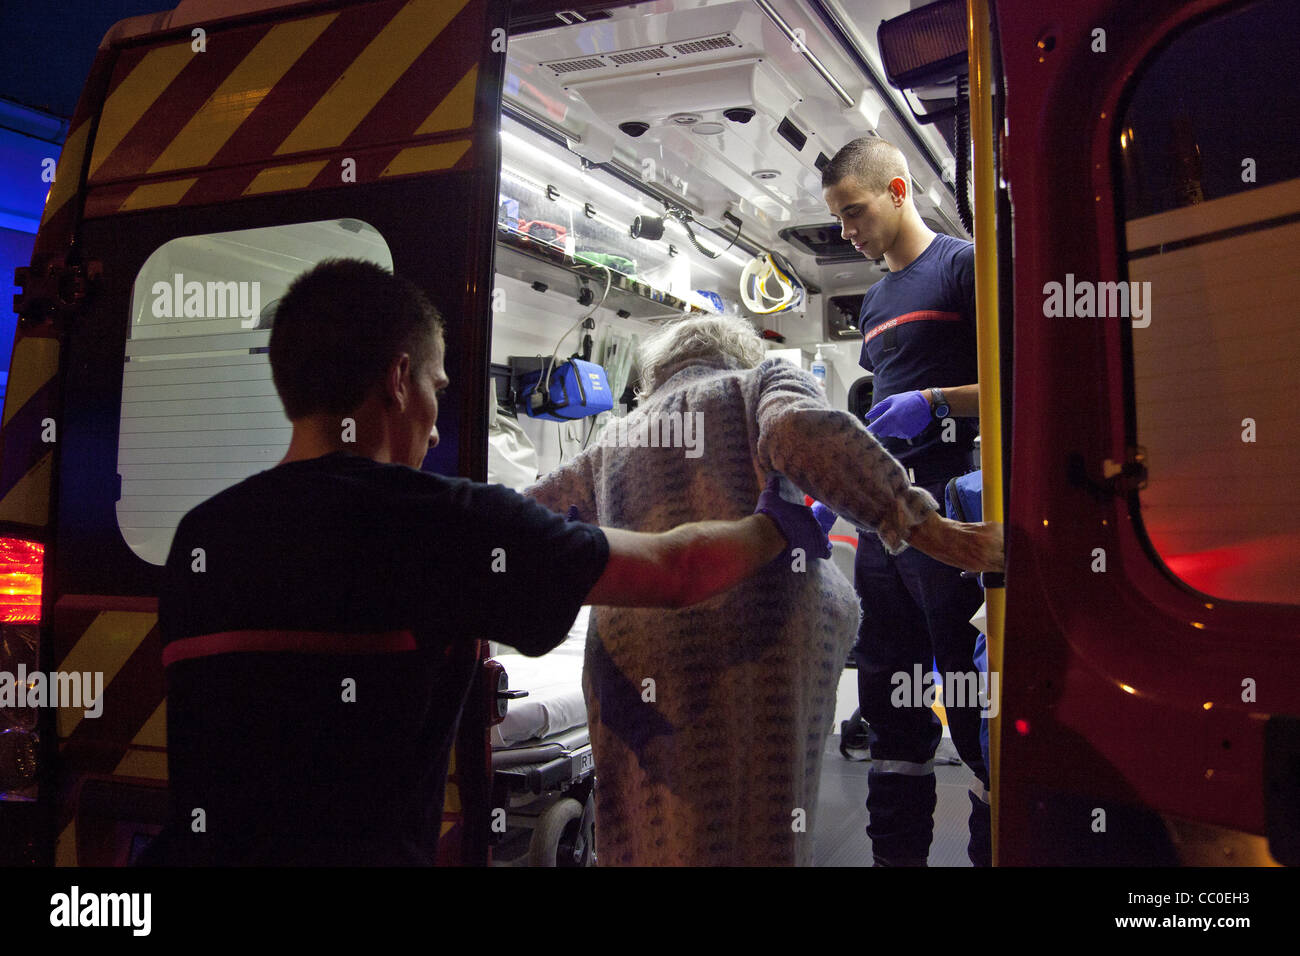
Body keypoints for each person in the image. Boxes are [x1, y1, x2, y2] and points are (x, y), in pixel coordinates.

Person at [141, 258, 829, 866]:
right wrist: (776, 524)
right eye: (438, 386)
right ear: (399, 379)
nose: (438, 423)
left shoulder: (201, 535)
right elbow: (674, 572)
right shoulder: (443, 522)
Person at [525, 315, 1002, 866]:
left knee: (637, 829)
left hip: (630, 658)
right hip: (755, 649)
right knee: (756, 826)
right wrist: (923, 526)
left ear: (659, 369)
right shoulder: (757, 382)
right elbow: (802, 430)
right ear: (739, 352)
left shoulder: (614, 437)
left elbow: (531, 516)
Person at [823, 136, 991, 866]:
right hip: (883, 522)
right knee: (889, 693)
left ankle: (995, 834)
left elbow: (1015, 387)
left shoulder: (962, 268)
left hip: (950, 510)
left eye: (855, 212)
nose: (848, 231)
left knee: (967, 693)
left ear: (896, 190)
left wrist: (934, 402)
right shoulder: (876, 302)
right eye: (837, 220)